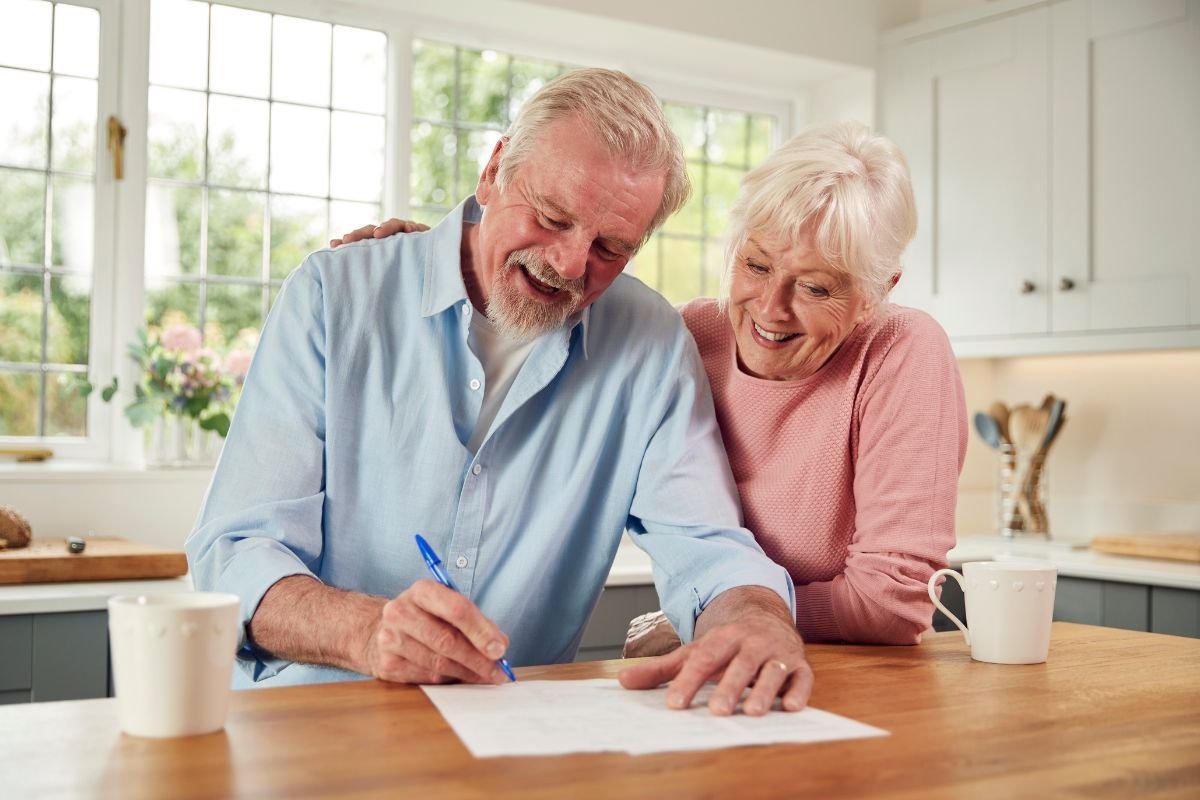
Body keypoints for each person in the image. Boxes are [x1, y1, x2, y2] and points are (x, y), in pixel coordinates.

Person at [186, 68, 812, 718]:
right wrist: (364, 631)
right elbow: (234, 553)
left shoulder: (650, 343)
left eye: (611, 248)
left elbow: (706, 542)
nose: (571, 264)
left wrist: (756, 615)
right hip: (308, 728)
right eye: (551, 217)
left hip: (513, 742)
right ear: (493, 171)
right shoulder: (335, 295)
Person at [342, 121, 968, 655]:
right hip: (725, 654)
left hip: (850, 673)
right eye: (755, 265)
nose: (771, 309)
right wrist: (449, 256)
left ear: (878, 292)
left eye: (817, 288)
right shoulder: (690, 334)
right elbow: (545, 308)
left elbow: (892, 600)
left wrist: (711, 612)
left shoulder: (901, 351)